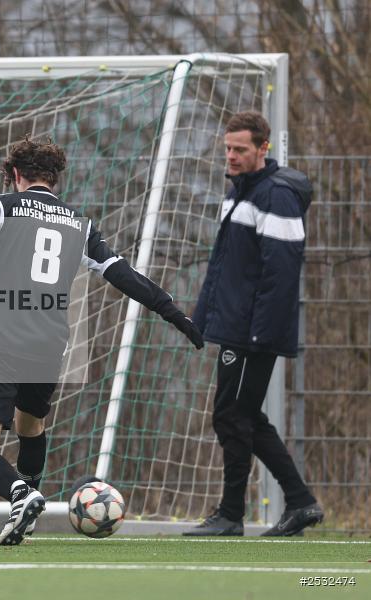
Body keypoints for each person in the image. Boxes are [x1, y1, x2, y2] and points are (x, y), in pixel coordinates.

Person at [0, 136, 204, 545]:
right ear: (54, 179)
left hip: (4, 339)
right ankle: (25, 512)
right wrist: (175, 313)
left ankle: (20, 494)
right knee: (30, 424)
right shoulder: (79, 223)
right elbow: (124, 275)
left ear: (15, 175)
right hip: (50, 345)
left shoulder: (3, 206)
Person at [184, 111, 323, 537]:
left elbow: (280, 275)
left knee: (231, 416)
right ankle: (299, 503)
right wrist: (201, 319)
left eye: (241, 149)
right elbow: (223, 265)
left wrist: (260, 334)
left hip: (253, 331)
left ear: (264, 148)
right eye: (228, 148)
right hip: (232, 326)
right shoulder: (237, 193)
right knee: (243, 416)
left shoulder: (275, 196)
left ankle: (230, 515)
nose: (232, 156)